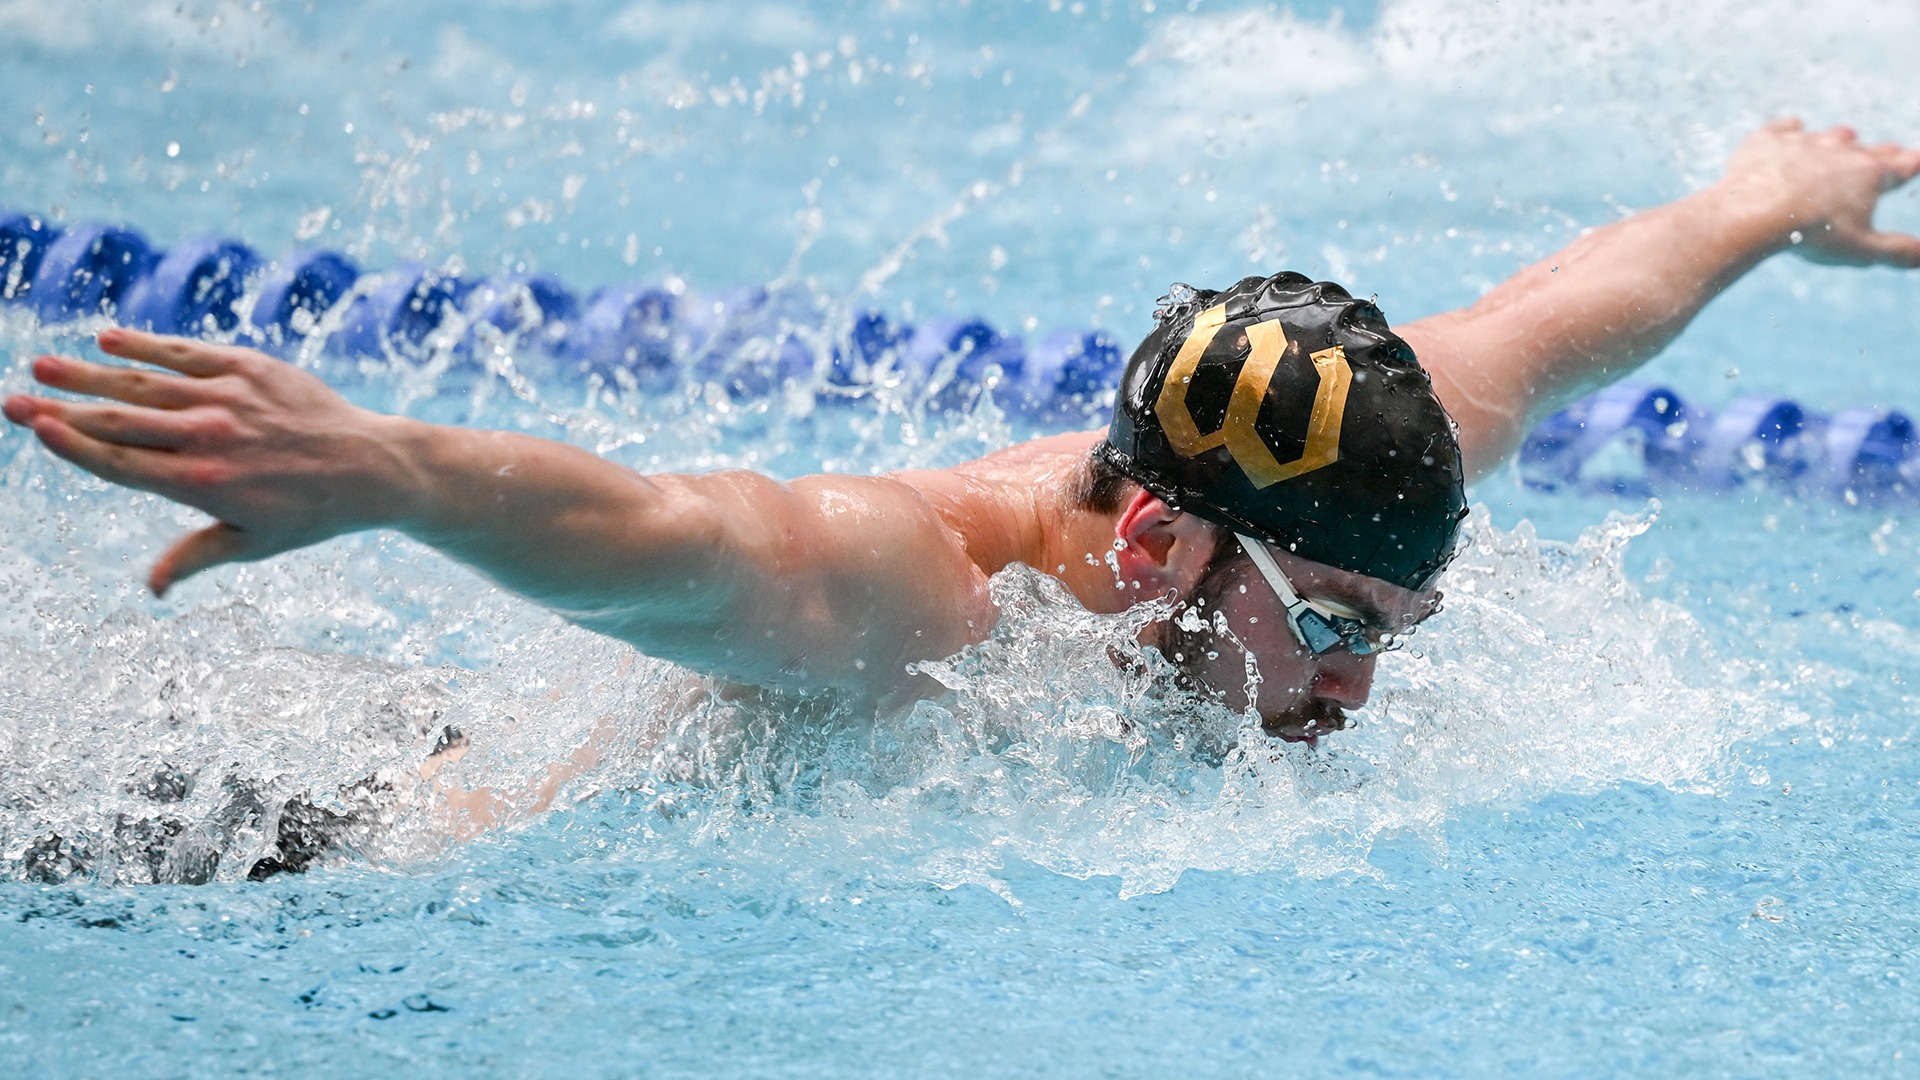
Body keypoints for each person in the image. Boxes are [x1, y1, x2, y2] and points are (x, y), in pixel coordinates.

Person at [6, 119, 1919, 750]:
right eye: (1333, 624)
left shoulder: (1344, 470)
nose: (1352, 688)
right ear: (1167, 548)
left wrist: (1764, 195)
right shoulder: (928, 603)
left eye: (1379, 634)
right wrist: (396, 474)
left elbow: (1560, 316)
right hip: (311, 840)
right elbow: (691, 539)